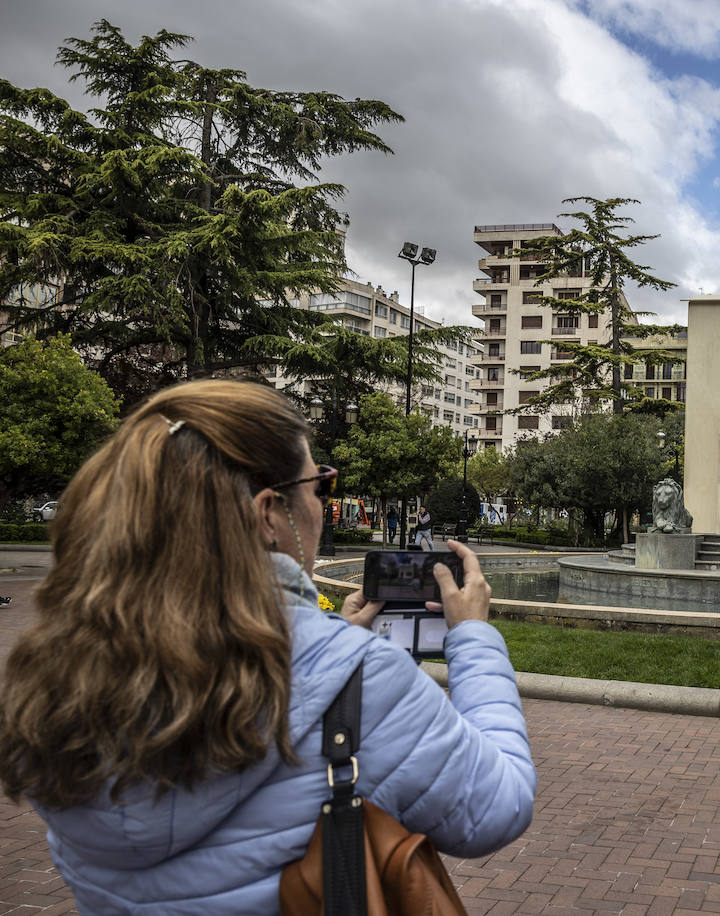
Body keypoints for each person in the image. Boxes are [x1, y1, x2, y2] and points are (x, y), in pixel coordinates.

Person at [0, 380, 535, 912]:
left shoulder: (62, 674)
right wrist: (473, 637)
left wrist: (331, 643)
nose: (323, 505)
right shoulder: (363, 678)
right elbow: (497, 807)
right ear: (267, 515)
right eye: (319, 486)